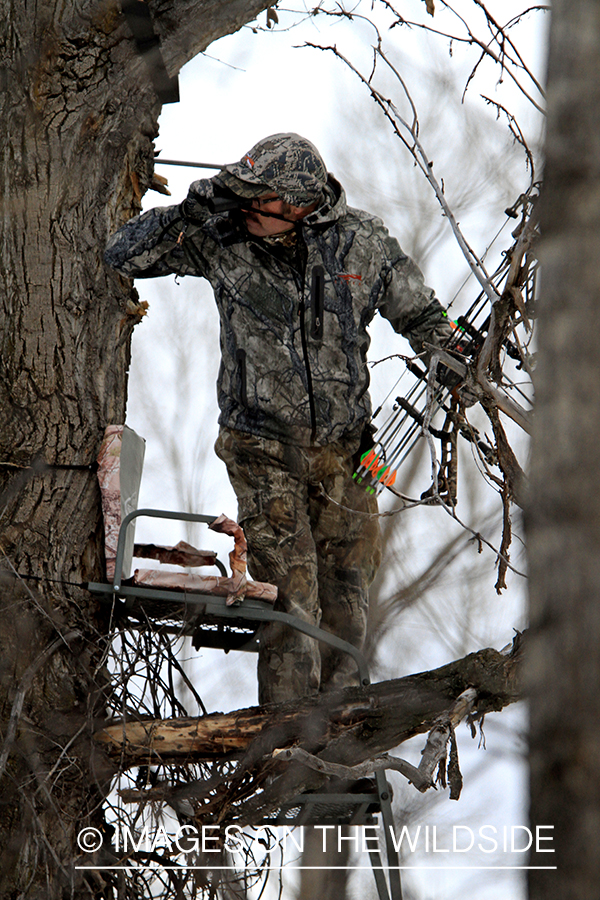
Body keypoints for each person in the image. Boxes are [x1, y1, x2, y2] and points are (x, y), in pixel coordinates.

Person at [105, 133, 452, 705]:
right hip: (263, 450)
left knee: (348, 608)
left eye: (257, 200)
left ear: (297, 205)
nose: (245, 210)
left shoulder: (361, 242)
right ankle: (290, 744)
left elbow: (425, 314)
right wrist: (197, 206)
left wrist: (457, 355)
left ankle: (340, 753)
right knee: (291, 602)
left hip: (351, 458)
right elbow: (123, 252)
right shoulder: (222, 237)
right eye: (239, 198)